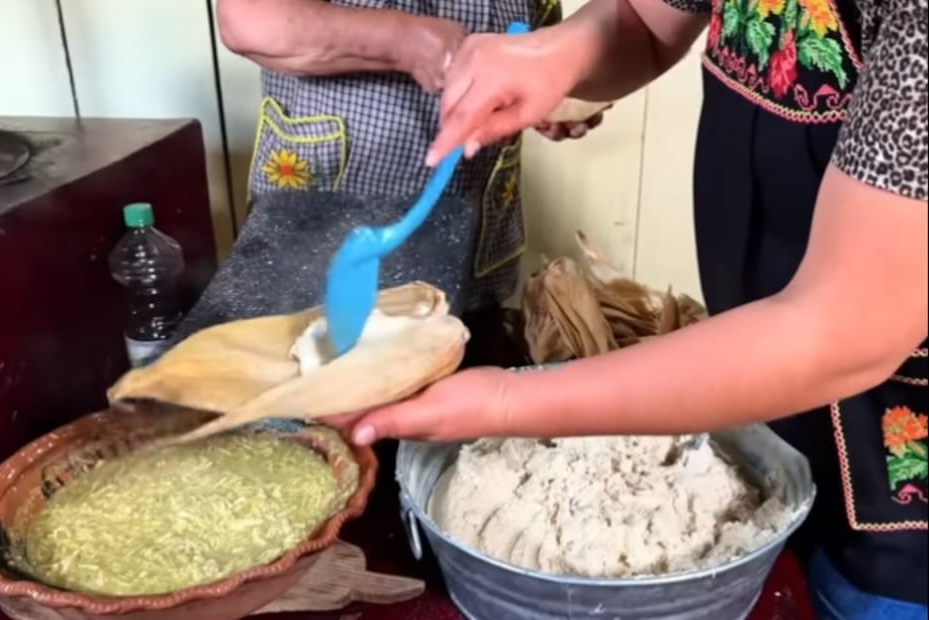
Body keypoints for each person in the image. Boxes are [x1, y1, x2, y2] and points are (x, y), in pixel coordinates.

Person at [331, 0, 929, 617]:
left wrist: (507, 404)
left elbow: (841, 326)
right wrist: (551, 57)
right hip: (777, 394)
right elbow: (643, 25)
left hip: (903, 514)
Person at [214, 0, 607, 366]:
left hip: (475, 263)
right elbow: (249, 19)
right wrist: (413, 42)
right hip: (321, 266)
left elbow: (546, 43)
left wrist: (553, 89)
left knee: (463, 425)